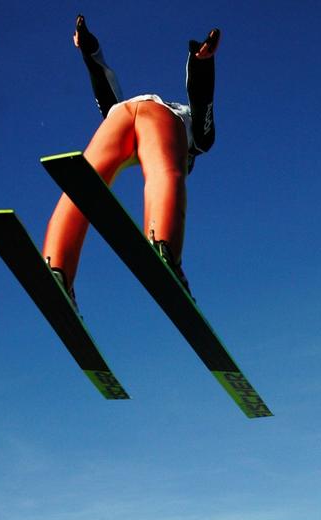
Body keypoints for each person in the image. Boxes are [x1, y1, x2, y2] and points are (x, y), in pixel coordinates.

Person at [42, 14, 220, 305]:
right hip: (162, 119)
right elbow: (202, 102)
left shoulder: (123, 121)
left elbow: (104, 84)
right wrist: (202, 63)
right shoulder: (199, 142)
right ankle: (164, 245)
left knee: (82, 187)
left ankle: (56, 266)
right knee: (165, 172)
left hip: (119, 115)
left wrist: (88, 48)